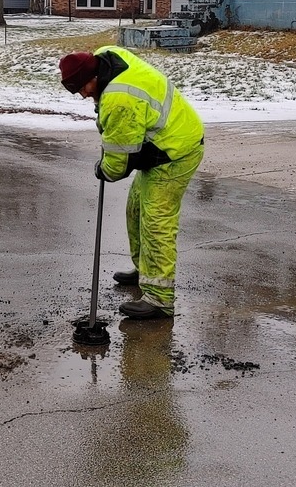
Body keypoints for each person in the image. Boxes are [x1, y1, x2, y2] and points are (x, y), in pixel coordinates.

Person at [59, 45, 205, 320]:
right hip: (160, 142)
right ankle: (145, 271)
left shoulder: (119, 99)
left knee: (156, 222)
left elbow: (116, 167)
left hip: (175, 152)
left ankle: (160, 299)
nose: (84, 94)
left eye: (83, 88)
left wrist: (103, 169)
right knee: (136, 208)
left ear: (94, 76)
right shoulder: (107, 57)